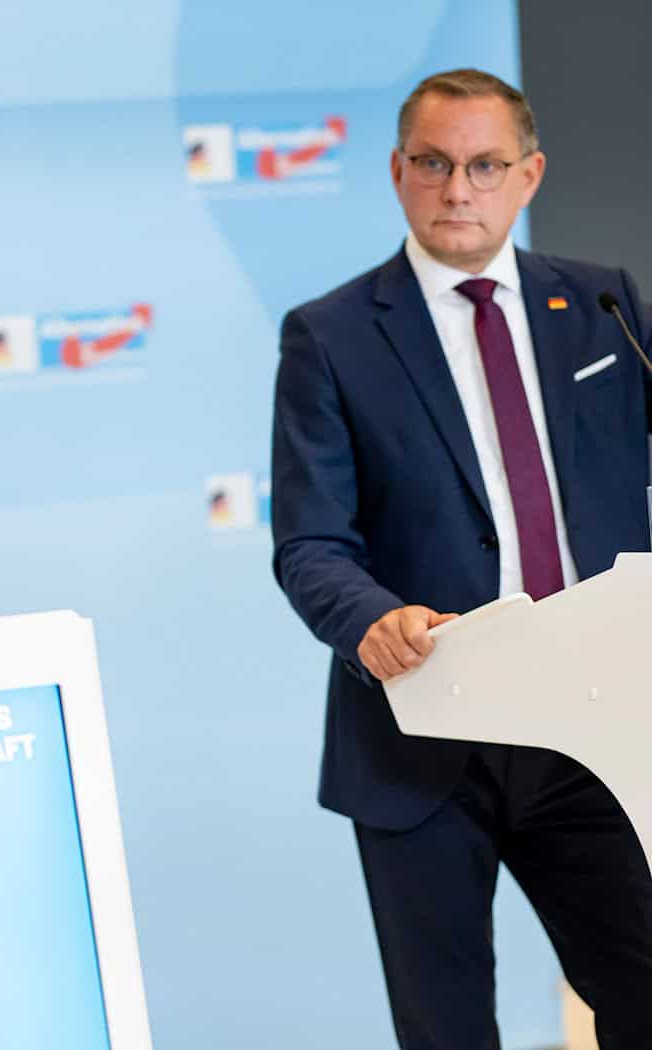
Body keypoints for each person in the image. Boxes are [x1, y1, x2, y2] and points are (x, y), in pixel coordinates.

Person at [271, 69, 652, 1047]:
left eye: (483, 166)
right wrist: (366, 619)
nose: (457, 191)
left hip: (592, 735)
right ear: (397, 171)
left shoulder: (601, 305)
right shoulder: (330, 335)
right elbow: (310, 541)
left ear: (527, 176)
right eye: (434, 165)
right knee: (444, 1033)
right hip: (419, 741)